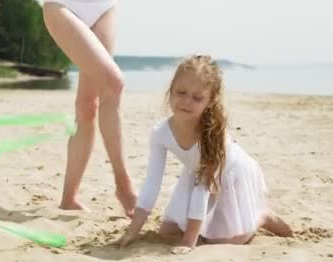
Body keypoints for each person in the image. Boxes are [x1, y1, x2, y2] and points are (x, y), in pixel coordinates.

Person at [0, 0, 138, 217]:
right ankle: (123, 183)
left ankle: (69, 198)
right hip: (61, 5)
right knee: (114, 81)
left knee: (88, 105)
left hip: (104, 5)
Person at [118, 55, 293, 249]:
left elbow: (204, 188)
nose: (186, 101)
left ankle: (262, 216)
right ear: (171, 90)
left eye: (197, 97)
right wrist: (132, 232)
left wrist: (188, 242)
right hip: (195, 174)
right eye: (181, 92)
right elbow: (152, 183)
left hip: (229, 176)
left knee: (225, 240)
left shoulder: (214, 136)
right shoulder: (160, 133)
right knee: (168, 232)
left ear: (209, 101)